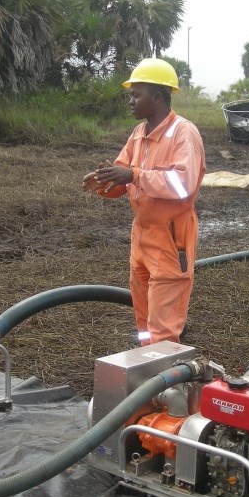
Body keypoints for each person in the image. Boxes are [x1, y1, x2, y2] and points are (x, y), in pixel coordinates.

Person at [82, 58, 205, 345]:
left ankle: (165, 370)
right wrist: (104, 182)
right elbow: (123, 176)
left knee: (163, 328)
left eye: (136, 95)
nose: (130, 101)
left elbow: (183, 184)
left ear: (158, 97)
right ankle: (147, 364)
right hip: (142, 236)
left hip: (171, 238)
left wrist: (134, 175)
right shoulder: (139, 134)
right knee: (145, 321)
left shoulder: (183, 133)